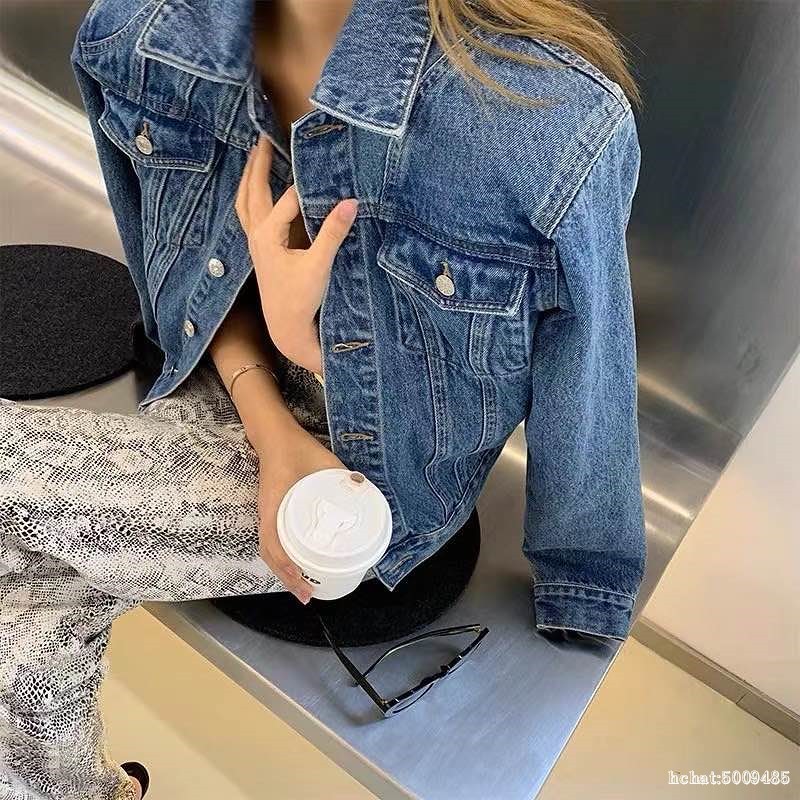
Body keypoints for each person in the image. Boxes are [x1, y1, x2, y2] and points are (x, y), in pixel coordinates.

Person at [0, 0, 646, 797]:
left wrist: (583, 584)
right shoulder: (148, 31)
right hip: (228, 396)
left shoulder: (549, 127)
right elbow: (180, 281)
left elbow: (590, 370)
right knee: (27, 624)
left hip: (376, 488)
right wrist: (270, 407)